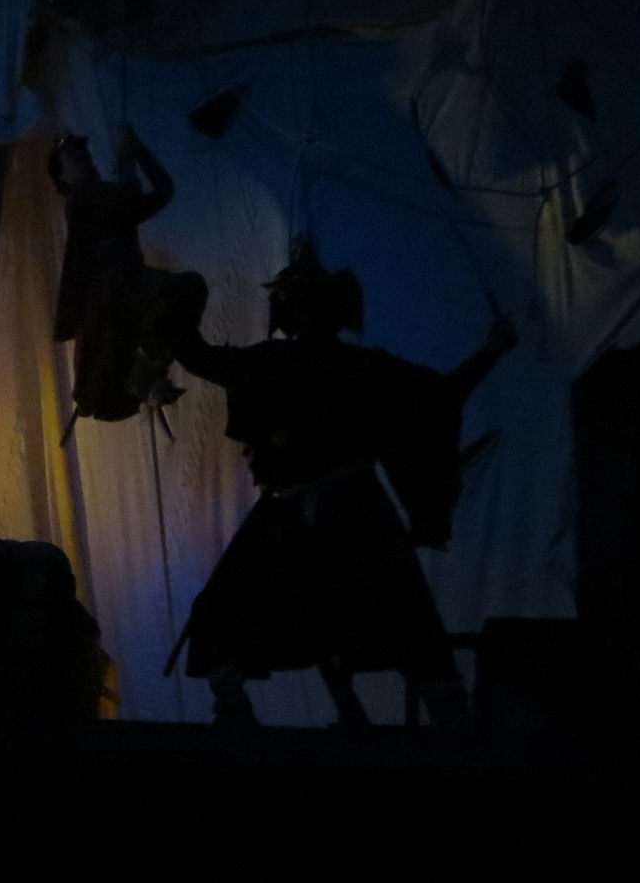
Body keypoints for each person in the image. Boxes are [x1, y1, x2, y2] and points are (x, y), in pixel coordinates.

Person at [158, 241, 469, 728]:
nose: (300, 314)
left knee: (400, 611)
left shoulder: (331, 365)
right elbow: (441, 395)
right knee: (230, 605)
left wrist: (174, 317)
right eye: (298, 304)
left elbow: (438, 397)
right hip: (325, 509)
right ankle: (236, 707)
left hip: (344, 511)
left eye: (304, 304)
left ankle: (446, 712)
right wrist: (493, 351)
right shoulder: (331, 365)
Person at [49, 125, 209, 424]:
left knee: (187, 292)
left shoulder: (104, 199)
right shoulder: (82, 199)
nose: (82, 155)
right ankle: (151, 365)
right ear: (63, 176)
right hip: (114, 293)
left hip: (130, 287)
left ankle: (155, 363)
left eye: (82, 151)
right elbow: (136, 194)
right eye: (71, 155)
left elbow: (160, 192)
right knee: (187, 290)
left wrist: (136, 153)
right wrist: (131, 158)